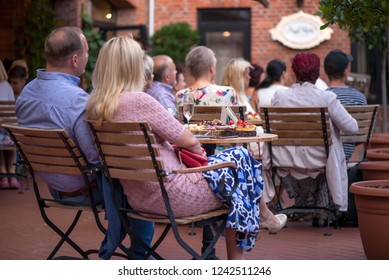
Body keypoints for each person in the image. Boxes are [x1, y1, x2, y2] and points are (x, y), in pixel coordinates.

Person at [86, 36, 287, 260]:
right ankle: (257, 227)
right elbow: (189, 141)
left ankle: (263, 216)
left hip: (138, 198)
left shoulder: (95, 107)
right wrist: (199, 154)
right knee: (240, 161)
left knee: (238, 163)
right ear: (132, 66)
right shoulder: (139, 101)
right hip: (174, 193)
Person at [15, 26, 154, 259]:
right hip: (83, 191)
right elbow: (96, 158)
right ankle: (141, 258)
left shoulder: (26, 94)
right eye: (88, 53)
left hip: (52, 188)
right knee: (140, 186)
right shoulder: (78, 101)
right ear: (75, 59)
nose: (89, 58)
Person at [261, 52, 358, 227]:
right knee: (333, 150)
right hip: (321, 159)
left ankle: (303, 205)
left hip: (285, 159)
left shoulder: (279, 96)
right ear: (317, 73)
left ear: (293, 73)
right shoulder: (326, 98)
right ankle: (323, 210)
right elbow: (352, 127)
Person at [324, 49, 367, 162]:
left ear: (326, 72)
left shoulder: (321, 98)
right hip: (348, 153)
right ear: (345, 72)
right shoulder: (359, 98)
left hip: (327, 155)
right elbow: (360, 136)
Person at [0, 60, 20, 189]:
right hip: (10, 134)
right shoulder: (7, 85)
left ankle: (3, 173)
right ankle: (12, 175)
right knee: (8, 134)